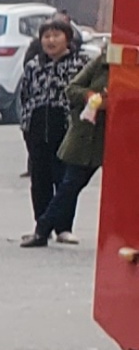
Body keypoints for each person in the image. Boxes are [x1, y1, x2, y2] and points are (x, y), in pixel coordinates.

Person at [16, 17, 94, 246]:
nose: (50, 40)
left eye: (56, 35)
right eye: (46, 36)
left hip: (67, 126)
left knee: (64, 178)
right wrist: (26, 123)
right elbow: (26, 95)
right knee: (40, 178)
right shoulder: (34, 65)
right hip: (37, 126)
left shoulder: (81, 63)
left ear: (68, 39)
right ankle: (42, 224)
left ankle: (63, 227)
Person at [40, 46, 106, 243]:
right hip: (91, 134)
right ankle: (43, 228)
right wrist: (92, 98)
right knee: (71, 184)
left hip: (125, 137)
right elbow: (72, 89)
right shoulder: (102, 61)